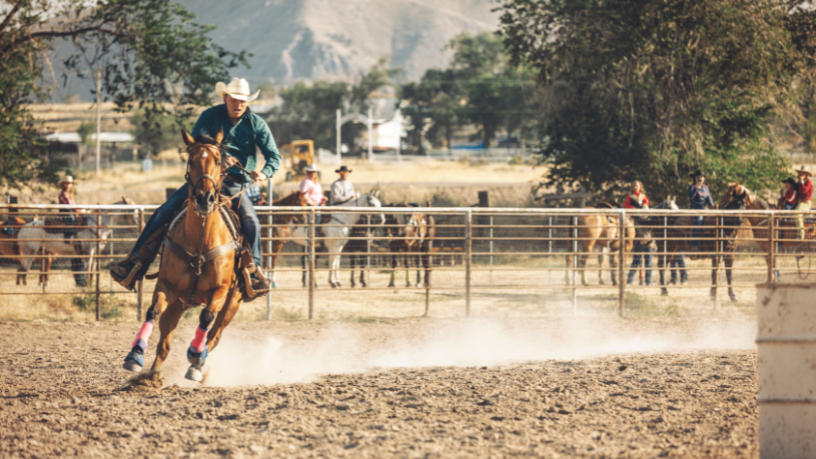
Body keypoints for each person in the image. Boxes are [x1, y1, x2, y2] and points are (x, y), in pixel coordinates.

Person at [110, 77, 281, 296]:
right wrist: (223, 157)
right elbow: (197, 144)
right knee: (163, 211)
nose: (238, 105)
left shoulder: (256, 123)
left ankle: (254, 273)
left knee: (251, 221)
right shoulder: (209, 116)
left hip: (235, 185)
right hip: (203, 180)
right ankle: (133, 264)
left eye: (243, 101)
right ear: (225, 97)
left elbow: (274, 156)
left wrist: (264, 173)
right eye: (235, 99)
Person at [688, 170, 714, 251]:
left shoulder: (705, 188)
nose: (700, 179)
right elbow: (691, 197)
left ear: (703, 179)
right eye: (698, 178)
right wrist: (696, 189)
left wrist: (712, 206)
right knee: (699, 220)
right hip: (695, 209)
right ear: (695, 178)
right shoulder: (692, 187)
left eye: (701, 178)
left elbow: (708, 198)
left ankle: (711, 242)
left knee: (714, 219)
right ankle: (694, 244)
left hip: (704, 208)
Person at [57, 175, 81, 241]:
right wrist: (78, 211)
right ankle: (68, 237)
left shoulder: (70, 194)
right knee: (71, 219)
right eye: (66, 183)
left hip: (70, 210)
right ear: (64, 184)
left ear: (71, 184)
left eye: (69, 183)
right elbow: (69, 204)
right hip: (64, 211)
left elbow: (73, 204)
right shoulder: (63, 193)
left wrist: (78, 210)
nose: (68, 184)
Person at [795, 166, 813, 239]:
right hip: (799, 202)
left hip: (805, 202)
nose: (800, 174)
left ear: (805, 174)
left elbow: (804, 191)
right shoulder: (799, 183)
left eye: (802, 173)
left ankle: (801, 234)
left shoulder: (808, 182)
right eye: (799, 173)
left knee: (796, 213)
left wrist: (801, 181)